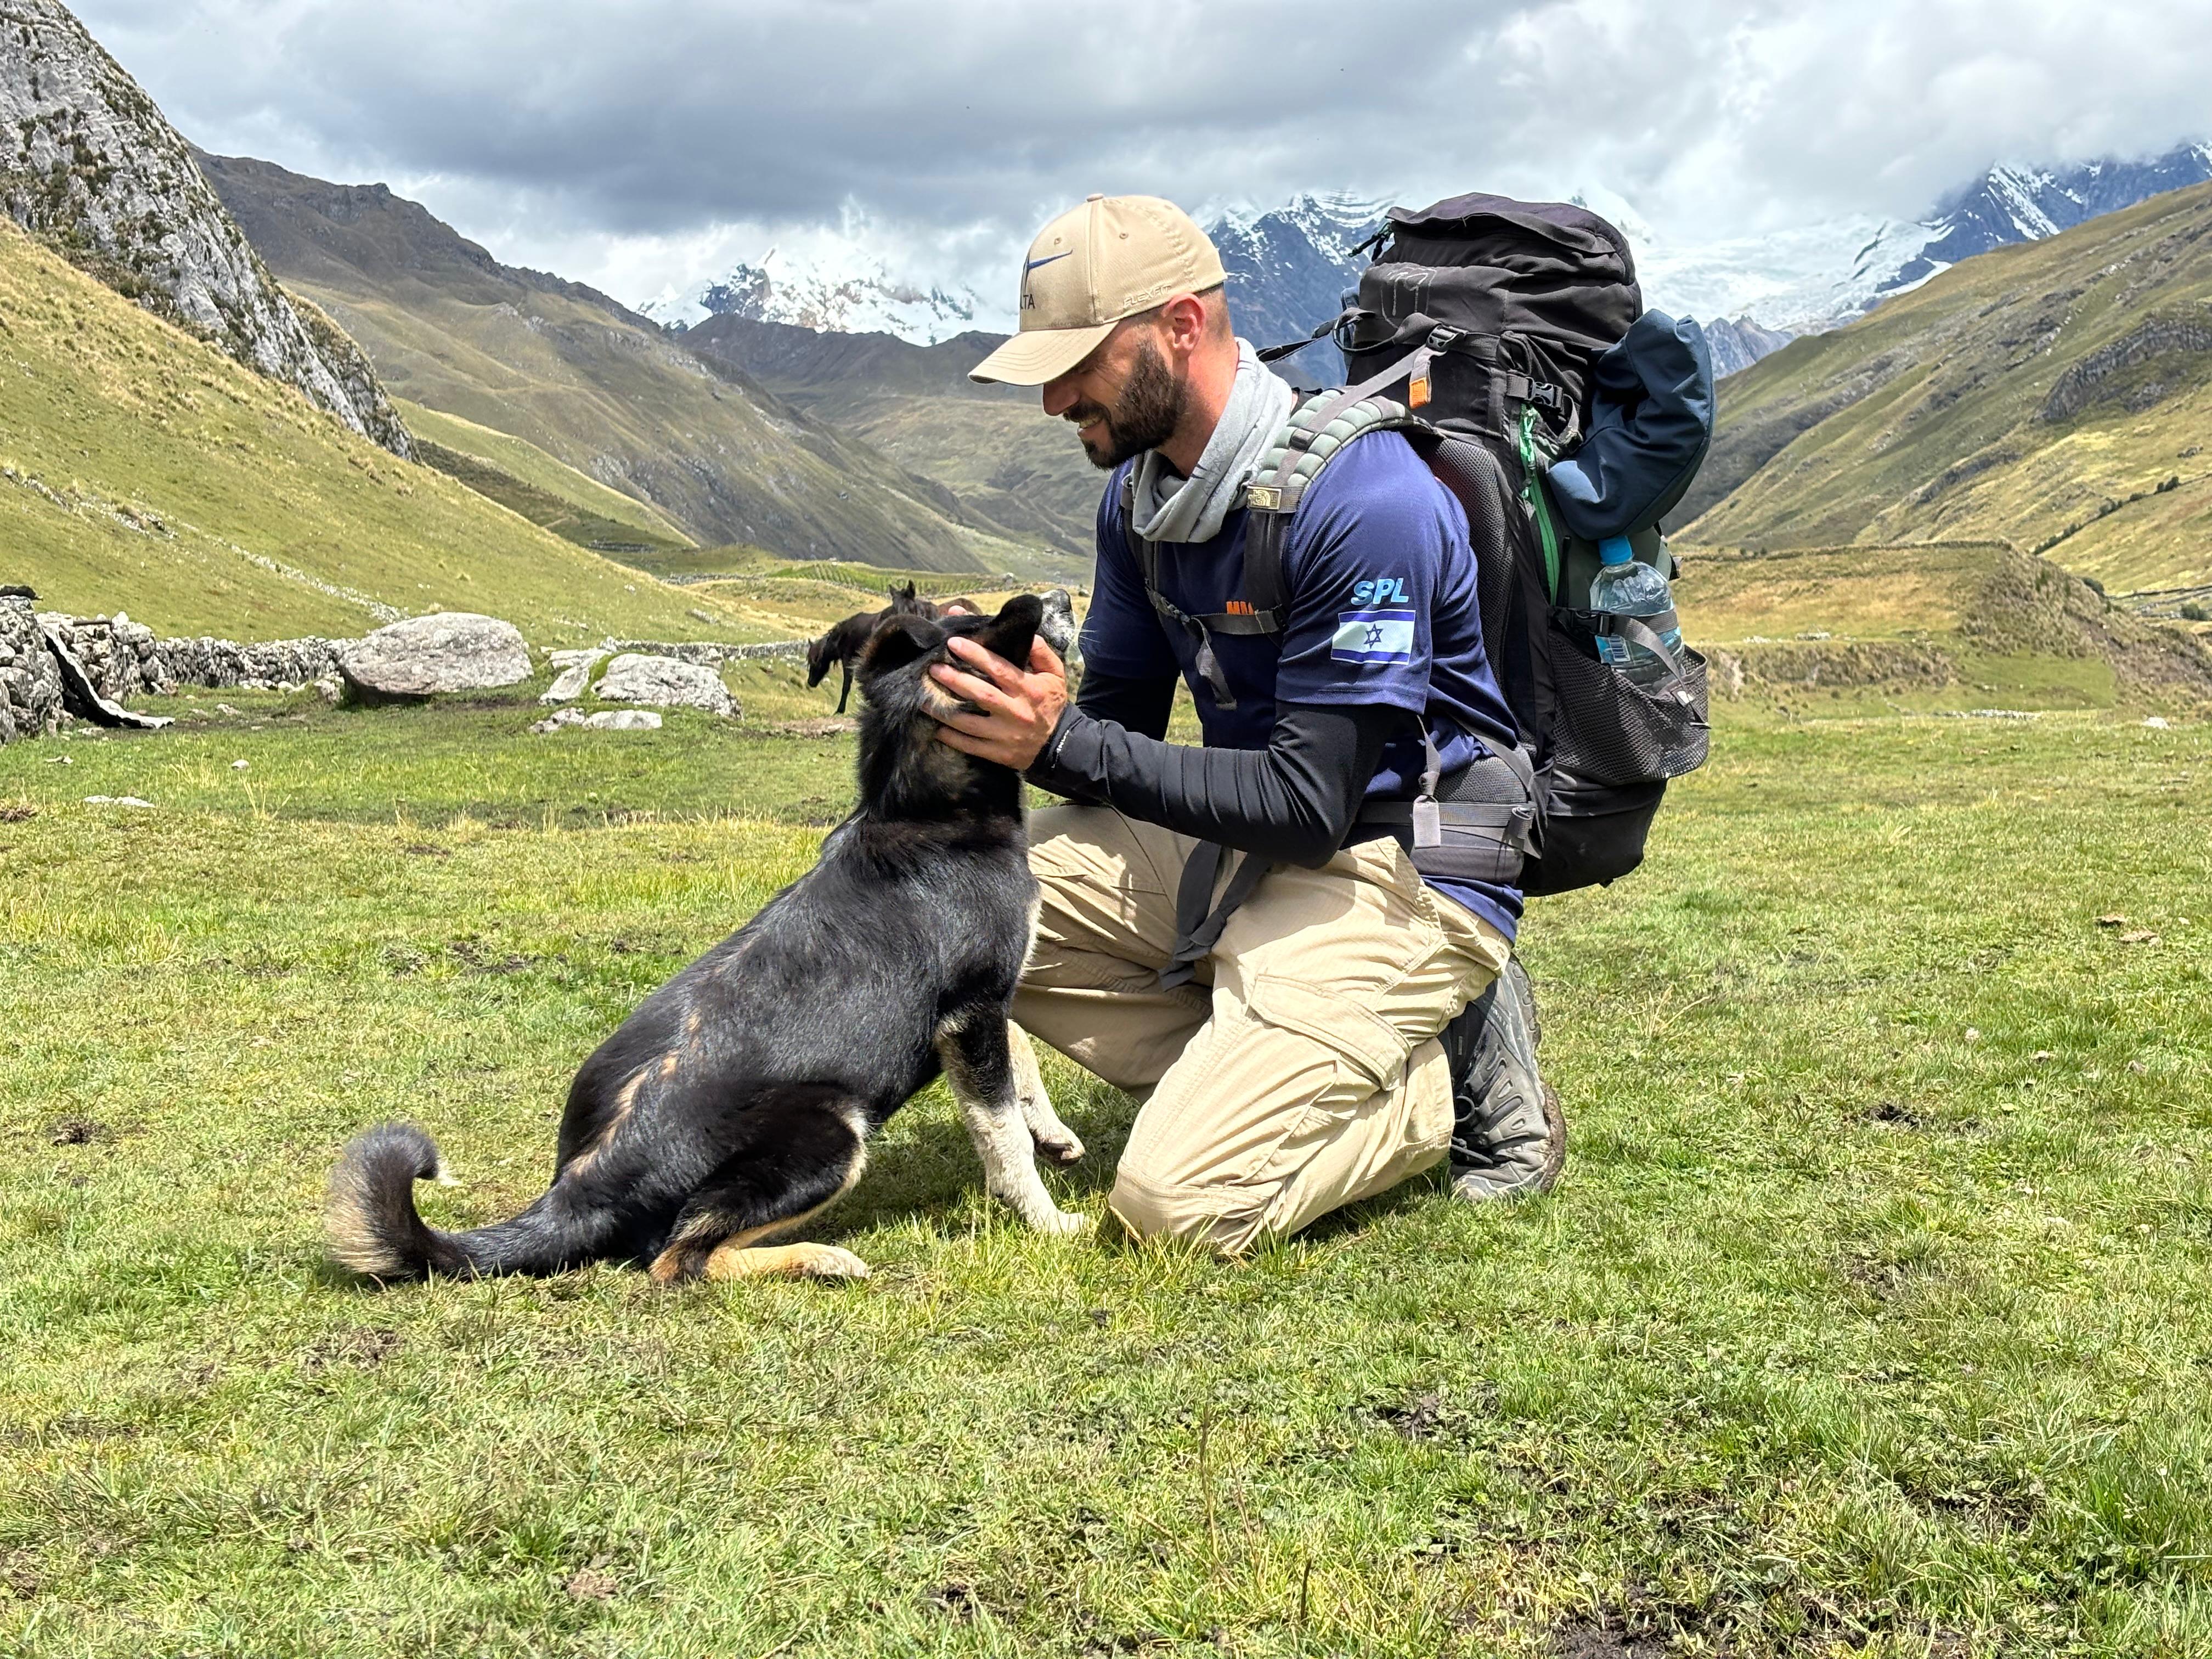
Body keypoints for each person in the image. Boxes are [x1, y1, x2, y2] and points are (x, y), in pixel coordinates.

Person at [927, 193, 1560, 1254]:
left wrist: (1063, 741)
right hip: (1252, 847)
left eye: (1077, 361)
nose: (1053, 400)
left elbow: (1310, 806)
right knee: (950, 919)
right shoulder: (1142, 500)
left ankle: (1433, 1086)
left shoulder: (1368, 501)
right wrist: (1017, 689)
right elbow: (1106, 751)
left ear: (1181, 325)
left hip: (1401, 866)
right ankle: (1277, 1049)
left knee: (1175, 1209)